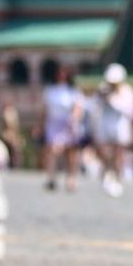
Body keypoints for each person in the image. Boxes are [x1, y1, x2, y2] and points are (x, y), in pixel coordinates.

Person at [95, 63, 133, 198]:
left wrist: (112, 99)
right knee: (105, 153)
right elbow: (96, 105)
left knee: (119, 154)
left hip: (120, 126)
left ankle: (118, 177)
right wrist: (102, 97)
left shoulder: (127, 91)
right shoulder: (103, 89)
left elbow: (128, 109)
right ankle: (107, 174)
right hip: (105, 125)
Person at [41, 64, 84, 192]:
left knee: (70, 153)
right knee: (53, 150)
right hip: (53, 123)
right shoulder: (50, 90)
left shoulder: (73, 90)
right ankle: (51, 177)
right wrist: (40, 124)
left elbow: (78, 107)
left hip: (68, 123)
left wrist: (74, 119)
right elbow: (45, 108)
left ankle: (71, 179)